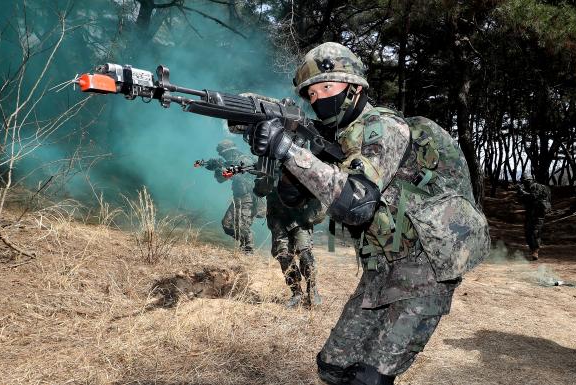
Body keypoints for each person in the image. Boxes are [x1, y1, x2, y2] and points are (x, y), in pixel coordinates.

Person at [247, 42, 489, 385]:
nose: (319, 99)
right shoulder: (339, 139)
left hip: (427, 266)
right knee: (332, 366)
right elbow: (292, 199)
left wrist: (287, 151)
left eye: (327, 87)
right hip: (383, 265)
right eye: (312, 95)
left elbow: (357, 204)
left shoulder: (384, 128)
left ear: (355, 88)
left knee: (370, 377)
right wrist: (287, 156)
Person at [266, 170, 324, 307]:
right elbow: (259, 191)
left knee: (305, 254)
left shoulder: (300, 166)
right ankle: (297, 293)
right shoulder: (270, 168)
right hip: (279, 220)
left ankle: (312, 290)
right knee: (283, 256)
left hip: (300, 218)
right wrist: (266, 178)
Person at [207, 139, 264, 254]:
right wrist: (217, 168)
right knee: (227, 224)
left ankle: (248, 250)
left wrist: (224, 168)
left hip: (249, 198)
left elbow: (242, 174)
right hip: (238, 197)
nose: (223, 156)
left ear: (231, 151)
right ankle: (244, 244)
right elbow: (221, 179)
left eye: (224, 154)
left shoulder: (245, 160)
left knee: (243, 226)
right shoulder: (229, 163)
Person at [516, 172, 551, 261]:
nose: (524, 183)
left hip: (538, 213)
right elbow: (522, 201)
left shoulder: (537, 187)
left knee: (535, 232)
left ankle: (535, 251)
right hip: (530, 213)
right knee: (527, 232)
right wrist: (519, 193)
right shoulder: (528, 188)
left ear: (529, 180)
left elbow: (533, 197)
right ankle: (533, 249)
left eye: (525, 181)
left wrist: (523, 192)